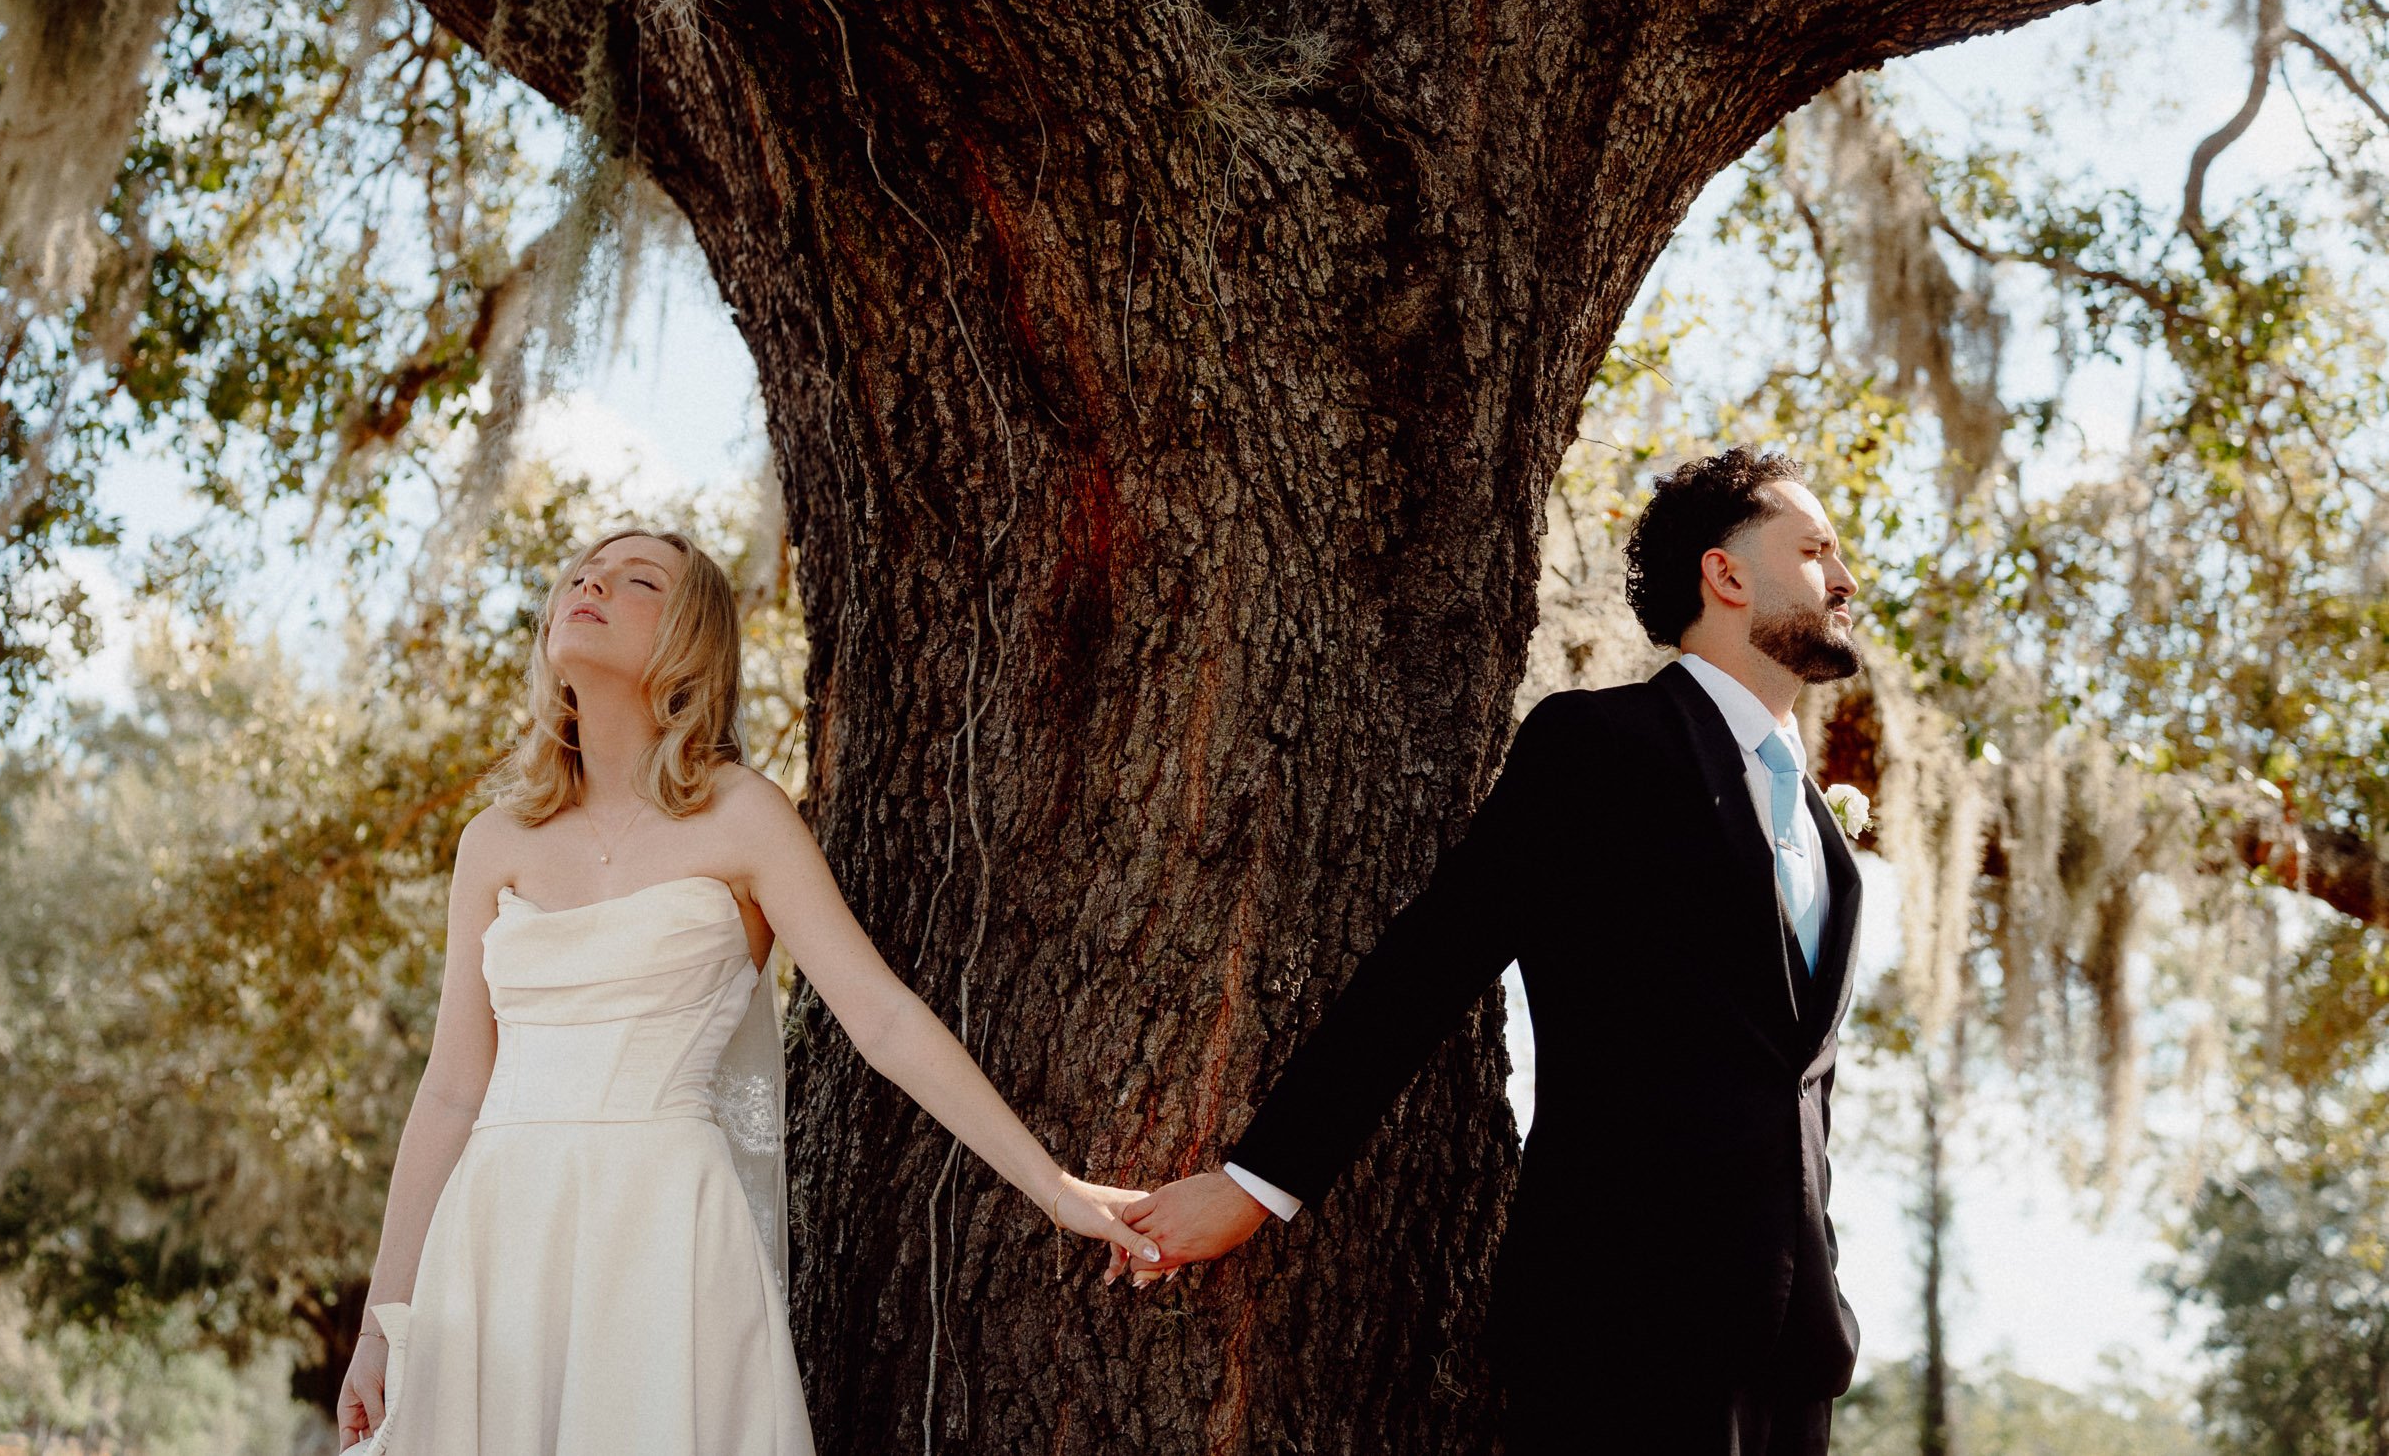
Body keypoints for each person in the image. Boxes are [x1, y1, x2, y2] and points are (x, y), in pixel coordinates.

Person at [335, 529, 1159, 1454]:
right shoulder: (495, 838)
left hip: (665, 1237)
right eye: (580, 573)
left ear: (691, 639)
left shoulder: (743, 815)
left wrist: (1054, 1189)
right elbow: (450, 1089)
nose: (592, 581)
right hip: (494, 1241)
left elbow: (882, 1019)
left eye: (636, 577)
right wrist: (379, 1325)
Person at [1117, 447, 1868, 1455]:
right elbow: (1431, 962)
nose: (1845, 576)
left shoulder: (1824, 830)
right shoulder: (1601, 745)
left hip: (1794, 1354)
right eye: (1814, 548)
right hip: (1623, 1332)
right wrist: (1257, 1182)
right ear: (1723, 573)